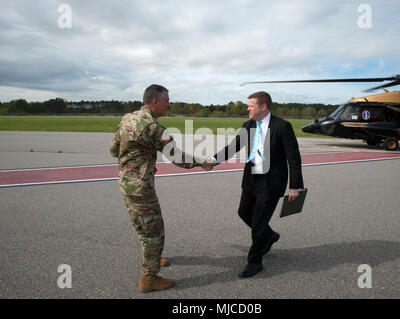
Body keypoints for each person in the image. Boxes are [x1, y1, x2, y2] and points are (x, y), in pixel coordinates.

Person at [109, 84, 210, 293]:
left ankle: (152, 258)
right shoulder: (154, 128)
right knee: (154, 231)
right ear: (154, 101)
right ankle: (149, 278)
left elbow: (113, 148)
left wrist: (134, 161)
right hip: (141, 187)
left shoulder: (128, 118)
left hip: (125, 183)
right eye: (166, 100)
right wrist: (202, 162)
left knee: (141, 225)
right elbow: (177, 156)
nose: (169, 104)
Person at [208, 91, 304, 278]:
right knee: (244, 212)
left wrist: (295, 186)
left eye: (251, 105)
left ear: (263, 106)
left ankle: (255, 262)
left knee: (259, 222)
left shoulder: (282, 126)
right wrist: (213, 160)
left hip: (271, 183)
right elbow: (233, 147)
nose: (248, 108)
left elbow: (293, 158)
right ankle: (269, 236)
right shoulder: (248, 125)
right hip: (251, 180)